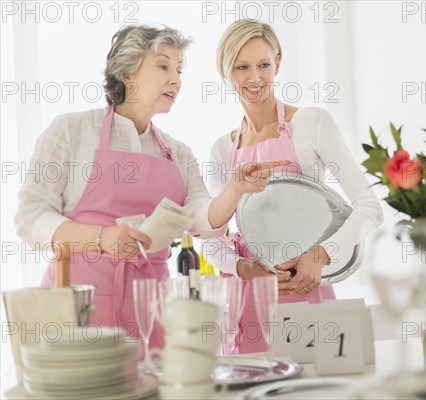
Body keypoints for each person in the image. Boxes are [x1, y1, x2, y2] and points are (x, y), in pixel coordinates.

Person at [14, 25, 285, 351]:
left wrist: (236, 188)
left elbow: (201, 221)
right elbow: (30, 217)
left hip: (150, 310)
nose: (176, 79)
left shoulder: (177, 152)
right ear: (127, 73)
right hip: (78, 306)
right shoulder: (71, 131)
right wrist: (102, 238)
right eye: (163, 66)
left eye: (179, 70)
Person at [206, 19, 384, 353]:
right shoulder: (221, 151)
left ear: (278, 63)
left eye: (263, 65)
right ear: (226, 73)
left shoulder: (312, 124)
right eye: (242, 67)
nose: (255, 78)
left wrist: (320, 255)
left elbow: (370, 208)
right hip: (249, 301)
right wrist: (243, 268)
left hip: (306, 290)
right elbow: (211, 242)